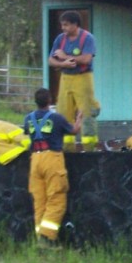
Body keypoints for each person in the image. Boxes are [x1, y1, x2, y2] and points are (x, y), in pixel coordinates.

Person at [23, 88, 83, 248]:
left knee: (39, 200)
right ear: (50, 101)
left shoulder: (28, 118)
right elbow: (74, 131)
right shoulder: (57, 118)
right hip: (52, 159)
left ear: (36, 101)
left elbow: (26, 132)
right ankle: (47, 237)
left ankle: (40, 238)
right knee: (56, 198)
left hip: (35, 159)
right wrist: (79, 118)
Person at [48, 10, 100, 150]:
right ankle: (67, 149)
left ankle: (90, 149)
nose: (63, 28)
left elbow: (87, 58)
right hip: (65, 79)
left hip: (83, 78)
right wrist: (62, 64)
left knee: (86, 113)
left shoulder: (87, 38)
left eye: (66, 25)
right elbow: (51, 60)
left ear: (75, 24)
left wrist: (65, 57)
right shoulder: (60, 39)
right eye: (62, 25)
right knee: (63, 113)